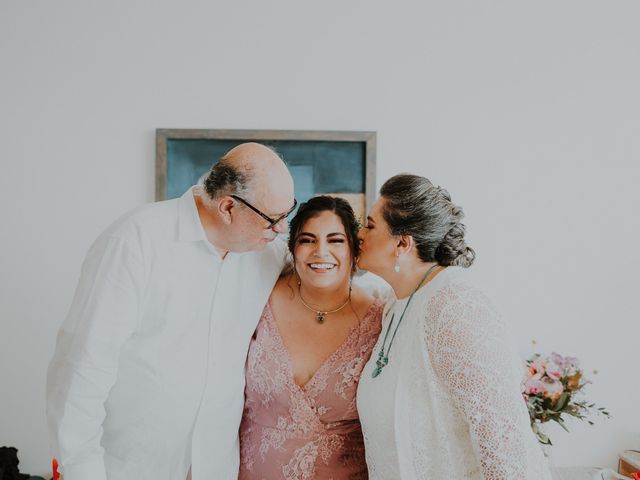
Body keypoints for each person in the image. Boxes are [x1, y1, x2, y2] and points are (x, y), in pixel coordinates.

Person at [46, 143, 296, 480]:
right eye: (274, 219)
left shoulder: (268, 254)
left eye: (287, 214)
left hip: (216, 466)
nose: (281, 229)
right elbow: (82, 368)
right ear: (227, 207)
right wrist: (82, 471)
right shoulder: (135, 241)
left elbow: (325, 276)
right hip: (126, 467)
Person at [356, 174, 552, 479]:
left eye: (370, 225)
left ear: (402, 243)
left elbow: (503, 442)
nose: (360, 234)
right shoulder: (397, 305)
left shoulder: (455, 304)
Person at [239, 196, 384, 480]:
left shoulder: (381, 319)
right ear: (293, 248)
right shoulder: (258, 300)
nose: (321, 251)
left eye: (335, 240)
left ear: (354, 249)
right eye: (307, 240)